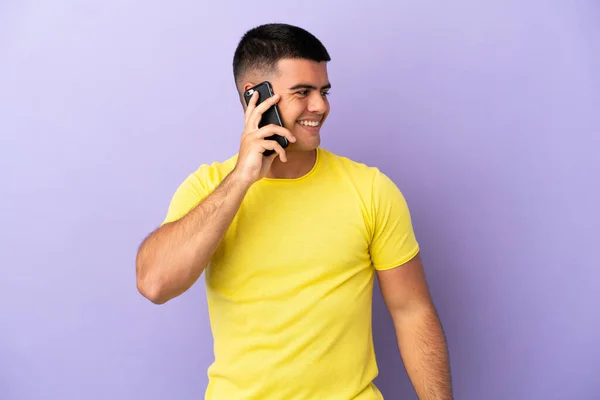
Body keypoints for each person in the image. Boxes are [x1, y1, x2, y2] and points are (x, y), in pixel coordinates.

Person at [136, 23, 453, 400]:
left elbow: (412, 311)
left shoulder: (370, 189)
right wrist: (241, 179)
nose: (320, 106)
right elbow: (155, 284)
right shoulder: (209, 188)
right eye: (302, 92)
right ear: (256, 99)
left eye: (323, 91)